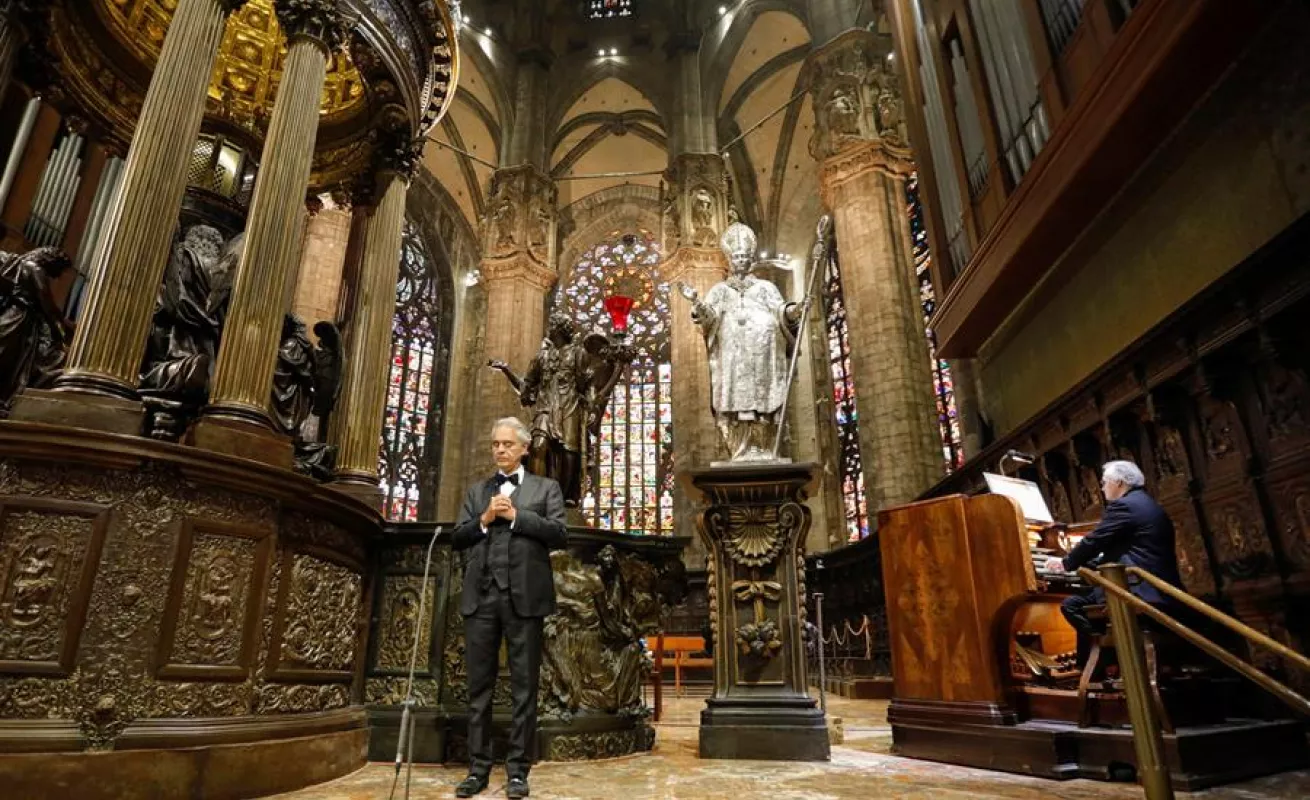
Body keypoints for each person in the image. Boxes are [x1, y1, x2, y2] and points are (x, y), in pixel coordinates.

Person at [452, 417, 568, 799]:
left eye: (506, 444)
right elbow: (457, 538)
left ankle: (518, 771)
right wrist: (484, 519)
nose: (499, 450)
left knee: (524, 688)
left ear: (523, 449)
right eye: (494, 444)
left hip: (525, 600)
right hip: (481, 598)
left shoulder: (545, 488)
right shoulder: (476, 492)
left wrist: (517, 516)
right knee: (478, 689)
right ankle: (478, 768)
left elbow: (559, 533)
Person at [678, 217, 805, 461]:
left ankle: (765, 448)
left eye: (745, 258)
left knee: (763, 402)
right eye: (736, 258)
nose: (741, 262)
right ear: (730, 260)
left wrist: (794, 310)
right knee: (735, 402)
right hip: (732, 359)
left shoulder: (765, 287)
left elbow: (780, 310)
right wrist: (695, 301)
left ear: (750, 261)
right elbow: (709, 318)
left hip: (762, 358)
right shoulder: (720, 290)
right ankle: (739, 449)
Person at [1044, 460, 1182, 666]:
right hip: (1153, 584)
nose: (1101, 487)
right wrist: (1091, 563)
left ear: (1119, 482)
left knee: (1072, 606)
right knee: (1082, 602)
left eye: (1104, 482)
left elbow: (1094, 540)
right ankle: (1100, 664)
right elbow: (1130, 549)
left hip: (1137, 588)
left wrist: (1065, 564)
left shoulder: (1124, 506)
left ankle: (1104, 658)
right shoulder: (1146, 503)